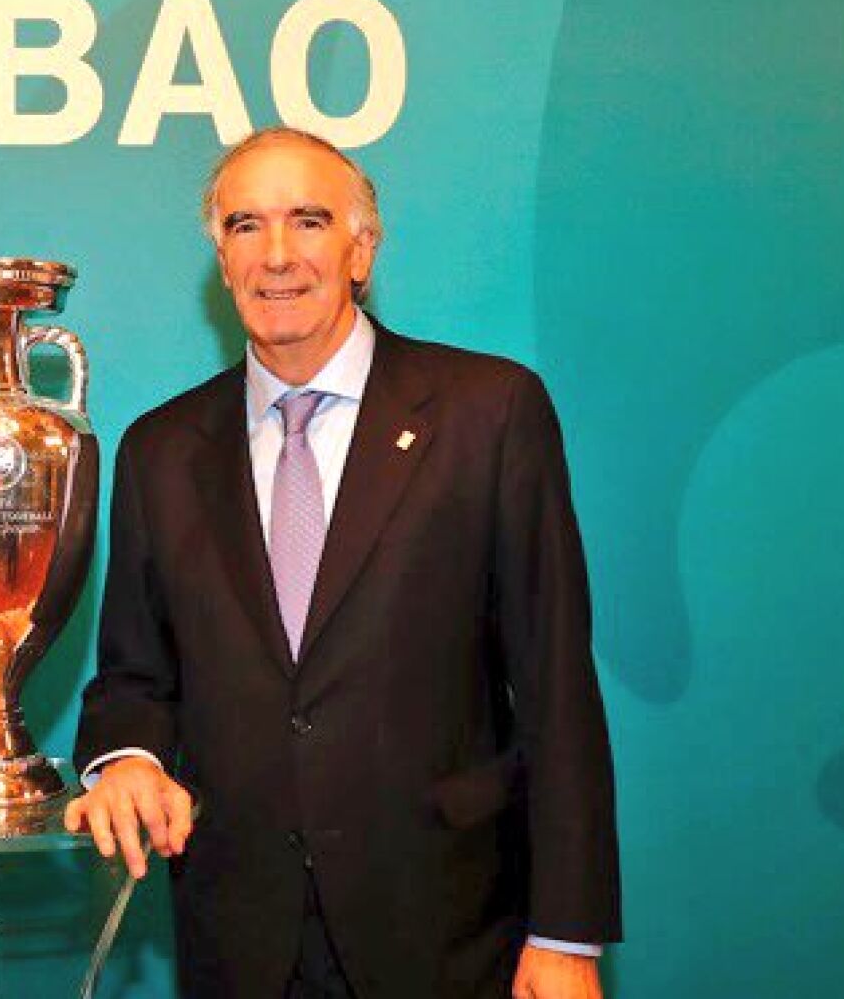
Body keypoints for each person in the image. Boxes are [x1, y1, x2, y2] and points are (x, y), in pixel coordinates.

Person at [65, 128, 621, 998]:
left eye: (309, 221)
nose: (277, 255)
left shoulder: (490, 414)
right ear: (221, 257)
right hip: (240, 937)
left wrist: (569, 934)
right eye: (247, 226)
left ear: (362, 248)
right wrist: (128, 758)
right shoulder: (160, 450)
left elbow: (555, 687)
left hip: (449, 930)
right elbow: (134, 676)